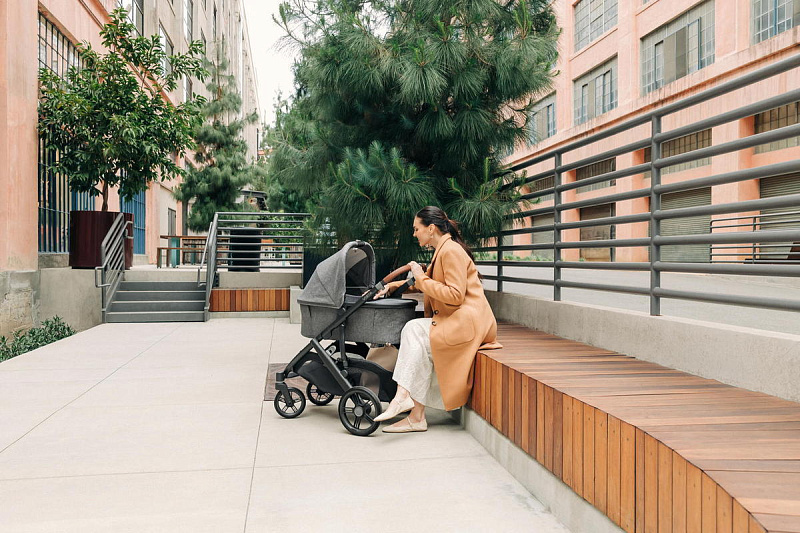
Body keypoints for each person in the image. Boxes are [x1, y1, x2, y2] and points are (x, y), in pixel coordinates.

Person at [372, 206, 502, 433]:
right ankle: (415, 416)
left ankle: (403, 397)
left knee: (413, 329)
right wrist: (392, 286)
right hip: (460, 321)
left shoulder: (450, 251)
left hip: (467, 324)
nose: (414, 234)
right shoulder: (443, 250)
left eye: (416, 229)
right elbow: (430, 282)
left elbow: (454, 295)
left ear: (431, 228)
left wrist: (420, 277)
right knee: (419, 342)